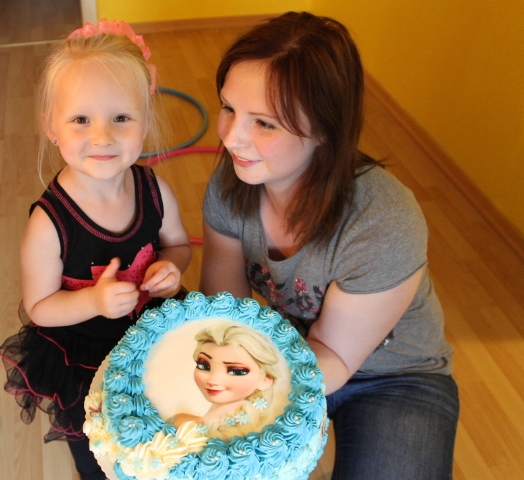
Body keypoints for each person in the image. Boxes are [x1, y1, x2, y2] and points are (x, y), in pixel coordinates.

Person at [200, 11, 459, 480]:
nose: (232, 138)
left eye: (264, 123)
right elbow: (226, 313)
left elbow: (333, 358)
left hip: (393, 377)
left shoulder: (383, 221)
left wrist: (243, 395)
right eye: (229, 108)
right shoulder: (230, 187)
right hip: (279, 352)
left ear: (324, 129)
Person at [0, 19, 191, 480]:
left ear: (145, 121)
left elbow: (179, 245)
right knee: (99, 458)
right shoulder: (49, 223)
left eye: (121, 118)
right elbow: (40, 307)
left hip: (153, 338)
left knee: (165, 430)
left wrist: (171, 267)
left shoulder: (155, 190)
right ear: (51, 126)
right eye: (81, 119)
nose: (103, 136)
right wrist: (94, 302)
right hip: (84, 360)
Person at [172, 323, 283, 440]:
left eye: (235, 371)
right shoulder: (181, 421)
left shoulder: (257, 436)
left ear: (265, 379)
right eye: (204, 366)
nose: (212, 380)